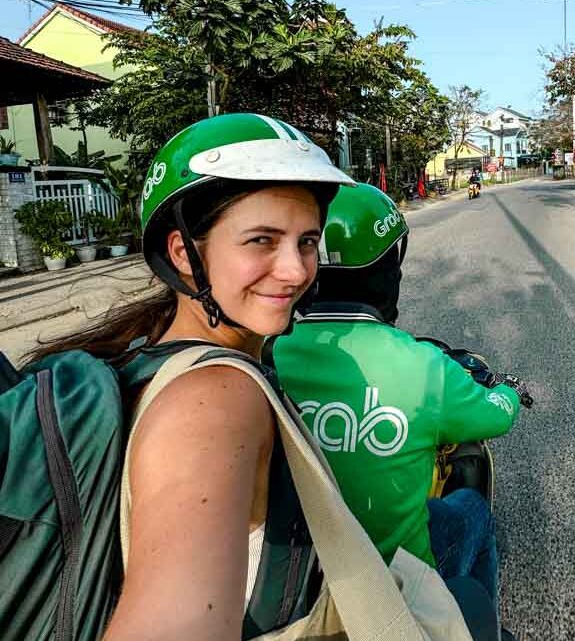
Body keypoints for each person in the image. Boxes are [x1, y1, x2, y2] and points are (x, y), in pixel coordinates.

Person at [25, 113, 355, 640]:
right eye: (262, 241)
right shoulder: (217, 400)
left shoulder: (142, 347)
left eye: (307, 242)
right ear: (184, 254)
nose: (295, 270)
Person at [271, 183, 532, 623]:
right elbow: (495, 418)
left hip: (304, 579)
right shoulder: (424, 366)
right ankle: (470, 625)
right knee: (472, 511)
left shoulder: (269, 349)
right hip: (395, 580)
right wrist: (510, 390)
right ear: (387, 273)